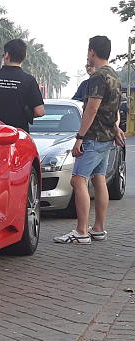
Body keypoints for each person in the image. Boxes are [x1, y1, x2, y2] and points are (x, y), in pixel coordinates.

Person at [54, 36, 126, 244]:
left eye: (88, 51)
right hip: (107, 138)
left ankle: (81, 231)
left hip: (93, 137)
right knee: (99, 179)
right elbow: (113, 110)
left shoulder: (97, 78)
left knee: (78, 180)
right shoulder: (114, 76)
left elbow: (92, 108)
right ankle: (98, 228)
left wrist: (79, 137)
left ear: (92, 51)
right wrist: (115, 127)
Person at [0, 39, 45, 132]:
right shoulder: (29, 81)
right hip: (18, 135)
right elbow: (39, 112)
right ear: (25, 57)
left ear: (6, 55)